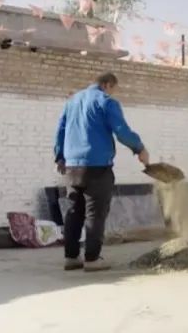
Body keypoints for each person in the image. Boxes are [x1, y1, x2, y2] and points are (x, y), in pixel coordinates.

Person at [53, 72, 149, 272]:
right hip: (97, 166)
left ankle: (71, 257)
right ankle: (92, 259)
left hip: (72, 166)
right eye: (113, 89)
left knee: (74, 212)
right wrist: (139, 148)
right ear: (107, 85)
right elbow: (121, 130)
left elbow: (60, 130)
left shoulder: (72, 102)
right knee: (95, 214)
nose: (113, 93)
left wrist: (60, 156)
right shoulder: (106, 101)